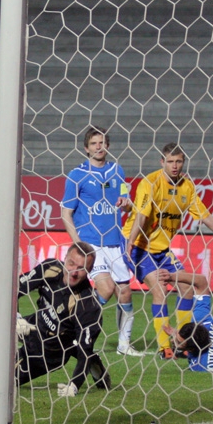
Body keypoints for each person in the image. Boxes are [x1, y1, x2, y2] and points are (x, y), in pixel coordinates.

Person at [123, 143, 213, 359]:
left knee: (187, 289)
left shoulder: (187, 187)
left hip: (163, 251)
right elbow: (142, 215)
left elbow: (205, 216)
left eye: (178, 161)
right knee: (160, 290)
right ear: (162, 162)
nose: (174, 165)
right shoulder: (150, 183)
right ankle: (164, 348)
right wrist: (130, 242)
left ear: (183, 162)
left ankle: (182, 342)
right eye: (170, 161)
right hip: (140, 248)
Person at [0, 241, 109, 396]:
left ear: (89, 270)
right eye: (71, 263)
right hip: (33, 325)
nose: (73, 272)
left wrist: (74, 385)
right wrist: (16, 317)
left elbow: (84, 351)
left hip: (47, 352)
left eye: (81, 268)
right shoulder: (51, 268)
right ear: (65, 258)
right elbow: (14, 288)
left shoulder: (88, 306)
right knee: (1, 320)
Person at [60, 126, 142, 356]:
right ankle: (75, 329)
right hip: (91, 243)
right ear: (86, 148)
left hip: (114, 242)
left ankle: (124, 344)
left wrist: (127, 204)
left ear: (108, 146)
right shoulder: (77, 175)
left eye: (102, 142)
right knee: (105, 288)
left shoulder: (118, 170)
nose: (99, 146)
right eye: (94, 143)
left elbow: (126, 200)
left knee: (125, 292)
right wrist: (80, 246)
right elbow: (66, 214)